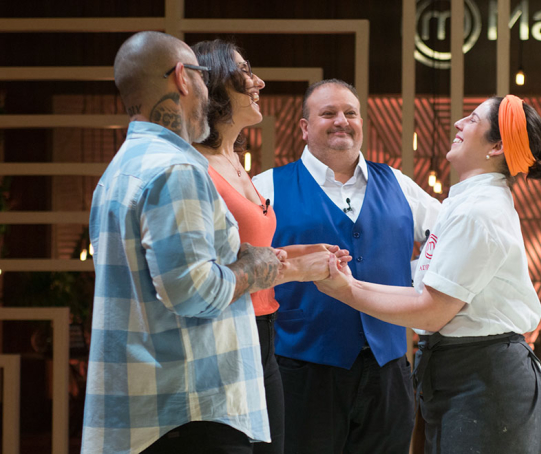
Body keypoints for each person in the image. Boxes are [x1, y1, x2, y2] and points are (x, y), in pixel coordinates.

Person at [82, 31, 286, 454]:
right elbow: (193, 291)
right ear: (182, 77)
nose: (206, 89)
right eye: (201, 75)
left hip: (151, 412)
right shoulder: (176, 168)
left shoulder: (119, 170)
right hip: (189, 411)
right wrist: (252, 269)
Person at [315, 95, 541, 454]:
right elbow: (423, 293)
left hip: (486, 379)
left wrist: (346, 291)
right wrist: (348, 283)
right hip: (464, 374)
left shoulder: (479, 211)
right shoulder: (464, 204)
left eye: (472, 119)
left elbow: (431, 311)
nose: (459, 123)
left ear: (496, 148)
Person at [253, 79, 442, 453]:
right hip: (300, 371)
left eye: (350, 113)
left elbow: (450, 241)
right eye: (328, 113)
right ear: (305, 127)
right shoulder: (267, 186)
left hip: (388, 372)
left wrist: (415, 279)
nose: (341, 120)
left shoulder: (399, 184)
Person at [191, 39, 350, 454]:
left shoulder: (235, 161)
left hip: (264, 336)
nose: (258, 81)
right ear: (215, 83)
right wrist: (298, 269)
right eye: (245, 71)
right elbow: (206, 274)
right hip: (223, 337)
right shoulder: (195, 168)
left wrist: (303, 253)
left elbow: (246, 252)